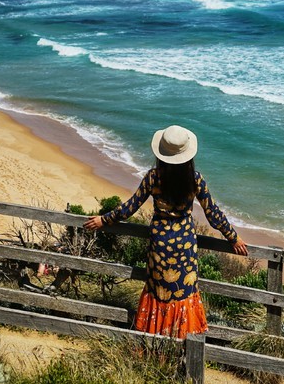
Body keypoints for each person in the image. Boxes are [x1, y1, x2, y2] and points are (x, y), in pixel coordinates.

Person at [85, 124, 249, 339]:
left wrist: (104, 220)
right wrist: (233, 237)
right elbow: (213, 214)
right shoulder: (195, 179)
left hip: (159, 247)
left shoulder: (154, 177)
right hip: (185, 248)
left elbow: (130, 207)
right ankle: (182, 342)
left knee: (158, 294)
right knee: (183, 293)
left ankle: (154, 341)